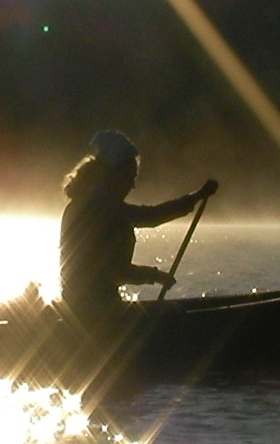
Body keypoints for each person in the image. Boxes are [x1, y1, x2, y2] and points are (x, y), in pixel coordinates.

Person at [59, 130, 217, 322]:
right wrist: (156, 276)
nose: (132, 186)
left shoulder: (90, 203)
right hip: (96, 314)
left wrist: (197, 197)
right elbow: (114, 271)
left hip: (84, 308)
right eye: (129, 177)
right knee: (174, 314)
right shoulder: (100, 209)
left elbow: (149, 217)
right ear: (112, 175)